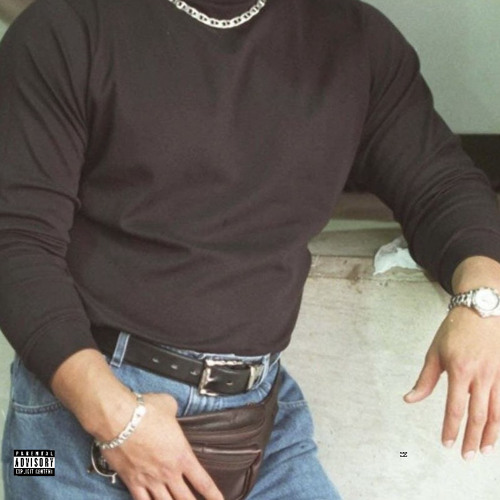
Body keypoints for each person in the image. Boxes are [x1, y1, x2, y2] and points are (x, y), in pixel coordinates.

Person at [1, 0, 500, 499]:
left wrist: (481, 299)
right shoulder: (66, 26)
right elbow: (15, 238)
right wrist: (117, 419)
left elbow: (439, 184)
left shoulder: (352, 38)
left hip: (260, 422)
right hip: (76, 426)